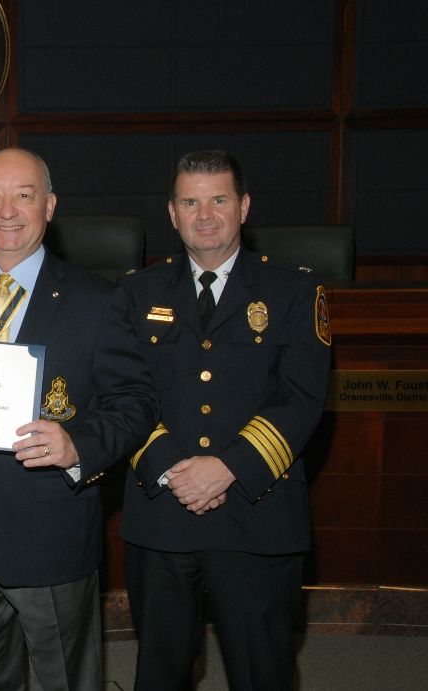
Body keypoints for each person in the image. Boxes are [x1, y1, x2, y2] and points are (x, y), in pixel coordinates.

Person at [0, 148, 159, 691]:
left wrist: (79, 446)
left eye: (24, 195)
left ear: (48, 206)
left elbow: (135, 402)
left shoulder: (99, 301)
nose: (8, 211)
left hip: (52, 534)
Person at [119, 150, 332, 690]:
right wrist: (174, 468)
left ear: (244, 206)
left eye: (219, 200)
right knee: (160, 672)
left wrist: (228, 467)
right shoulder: (135, 293)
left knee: (264, 671)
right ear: (171, 212)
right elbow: (121, 393)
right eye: (190, 201)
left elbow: (302, 399)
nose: (205, 214)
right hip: (163, 513)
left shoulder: (294, 292)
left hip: (256, 514)